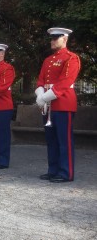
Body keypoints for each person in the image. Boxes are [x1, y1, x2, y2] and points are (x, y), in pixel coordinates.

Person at [35, 27, 80, 183]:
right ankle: (53, 170)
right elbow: (40, 81)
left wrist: (44, 97)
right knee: (51, 139)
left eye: (56, 38)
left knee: (64, 140)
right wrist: (40, 95)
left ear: (65, 39)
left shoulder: (71, 58)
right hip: (48, 104)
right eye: (51, 38)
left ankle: (66, 172)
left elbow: (65, 82)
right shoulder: (48, 60)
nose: (52, 41)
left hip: (62, 103)